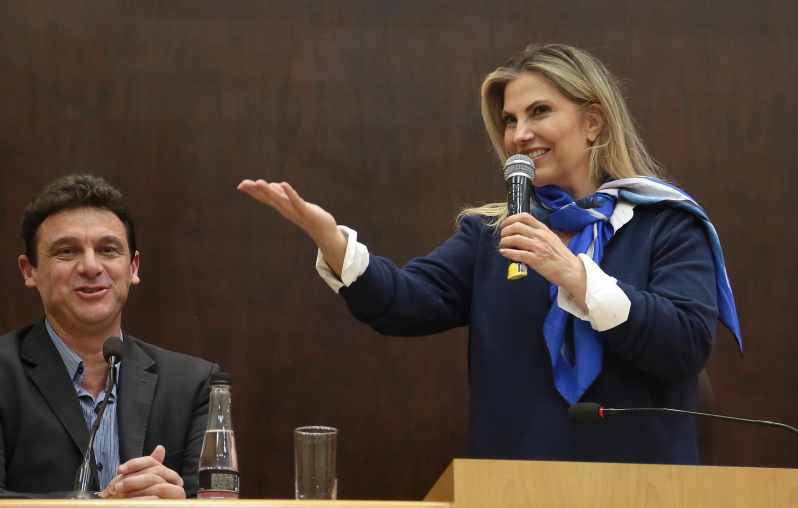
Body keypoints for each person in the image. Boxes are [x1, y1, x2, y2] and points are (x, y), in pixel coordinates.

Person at [238, 44, 741, 465]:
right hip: (511, 495)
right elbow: (402, 302)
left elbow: (685, 344)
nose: (520, 135)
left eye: (539, 112)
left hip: (645, 497)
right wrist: (332, 241)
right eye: (509, 120)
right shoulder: (494, 233)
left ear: (593, 121)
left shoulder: (666, 223)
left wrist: (577, 277)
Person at [0, 174, 217, 499]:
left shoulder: (193, 384)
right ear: (30, 271)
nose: (91, 267)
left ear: (133, 267)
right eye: (67, 251)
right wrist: (100, 507)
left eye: (108, 250)